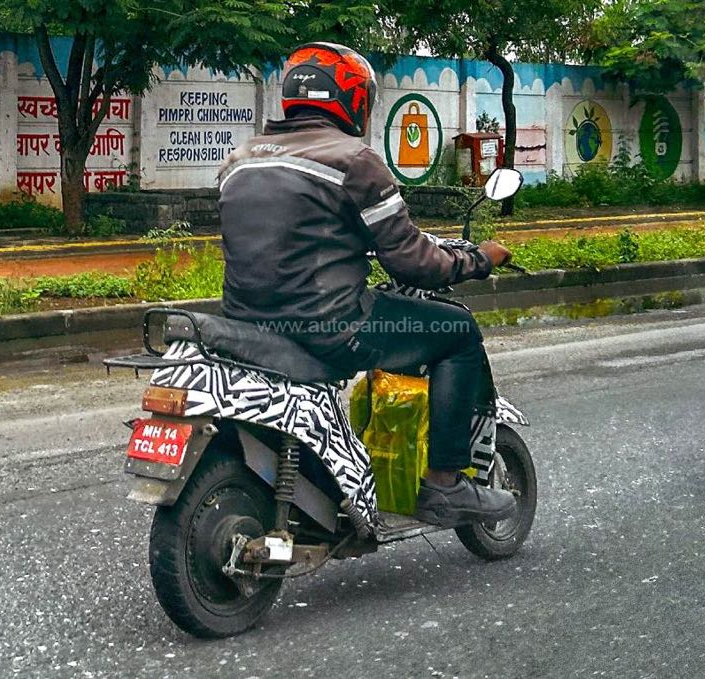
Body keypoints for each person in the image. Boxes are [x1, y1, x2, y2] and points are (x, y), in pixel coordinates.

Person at [217, 42, 516, 528]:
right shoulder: (353, 160)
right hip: (332, 325)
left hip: (248, 325)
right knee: (457, 332)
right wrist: (479, 258)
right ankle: (445, 485)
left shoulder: (239, 159)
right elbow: (413, 264)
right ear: (352, 100)